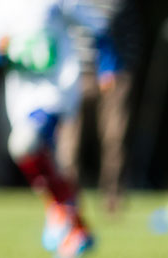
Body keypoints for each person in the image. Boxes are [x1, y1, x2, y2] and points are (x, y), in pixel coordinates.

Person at [0, 0, 116, 258]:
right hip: (21, 95)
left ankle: (61, 210)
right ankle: (74, 222)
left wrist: (107, 67)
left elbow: (97, 26)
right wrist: (1, 49)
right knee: (37, 156)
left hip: (57, 89)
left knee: (24, 144)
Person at [57, 0, 140, 216]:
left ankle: (113, 198)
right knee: (69, 139)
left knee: (115, 137)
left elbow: (122, 33)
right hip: (77, 72)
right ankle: (66, 200)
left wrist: (112, 68)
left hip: (117, 73)